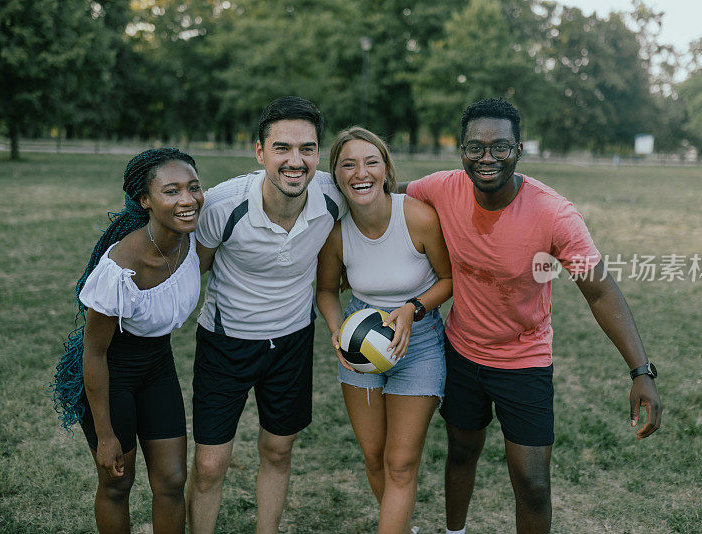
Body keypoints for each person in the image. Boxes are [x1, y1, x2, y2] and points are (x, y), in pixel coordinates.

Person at [399, 98, 663, 534]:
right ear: (461, 150)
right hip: (461, 351)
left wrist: (641, 371)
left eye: (500, 148)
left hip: (524, 361)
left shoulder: (553, 214)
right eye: (475, 148)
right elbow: (374, 188)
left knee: (533, 482)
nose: (487, 158)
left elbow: (599, 292)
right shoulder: (442, 187)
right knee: (462, 452)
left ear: (519, 150)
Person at [186, 96, 347, 534]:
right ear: (260, 152)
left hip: (292, 341)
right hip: (226, 341)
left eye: (307, 148)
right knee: (209, 464)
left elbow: (388, 206)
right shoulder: (222, 206)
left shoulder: (335, 194)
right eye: (282, 148)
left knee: (278, 450)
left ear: (318, 152)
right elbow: (191, 273)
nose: (296, 161)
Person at [51, 147, 204, 533]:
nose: (187, 200)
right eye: (171, 191)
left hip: (158, 367)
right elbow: (95, 351)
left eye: (193, 187)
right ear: (145, 201)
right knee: (117, 483)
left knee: (171, 481)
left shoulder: (191, 236)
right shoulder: (120, 269)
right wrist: (105, 435)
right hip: (111, 375)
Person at [315, 127, 453, 534]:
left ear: (386, 169)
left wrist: (413, 309)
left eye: (371, 161)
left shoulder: (417, 216)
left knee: (400, 462)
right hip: (360, 341)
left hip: (420, 341)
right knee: (374, 457)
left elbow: (449, 279)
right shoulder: (336, 232)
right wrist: (339, 331)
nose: (361, 172)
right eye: (348, 164)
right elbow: (325, 290)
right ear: (337, 176)